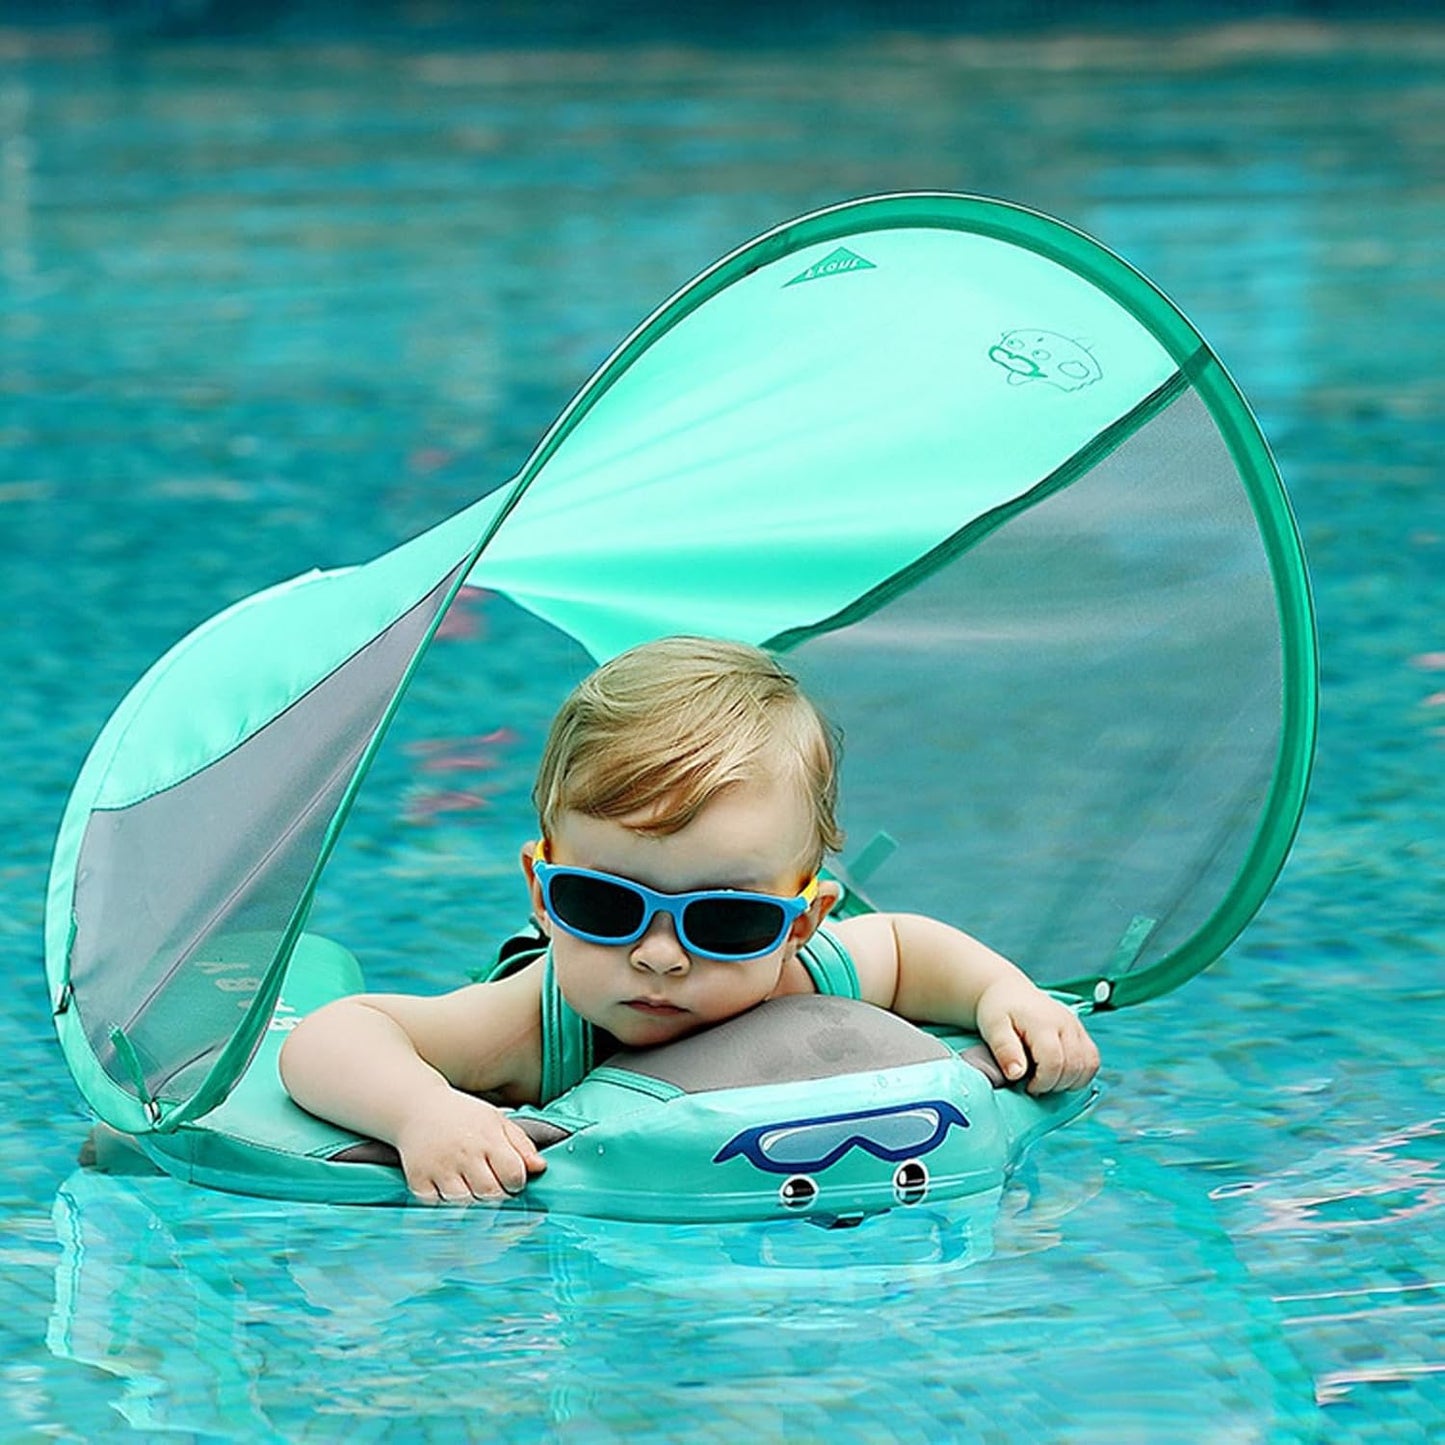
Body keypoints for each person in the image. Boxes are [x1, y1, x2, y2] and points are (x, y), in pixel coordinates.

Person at [280, 637, 1099, 1205]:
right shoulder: (533, 1022)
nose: (659, 955)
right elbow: (331, 1037)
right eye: (601, 903)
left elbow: (912, 946)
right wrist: (425, 1110)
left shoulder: (813, 968)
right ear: (541, 889)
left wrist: (1005, 994)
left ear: (803, 920)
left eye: (726, 919)